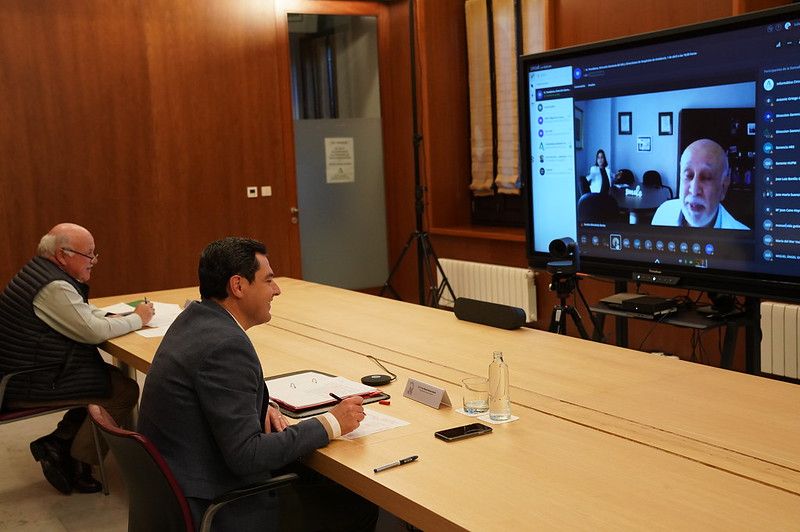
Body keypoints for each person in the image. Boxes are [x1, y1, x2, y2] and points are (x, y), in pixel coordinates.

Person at [137, 237, 378, 531]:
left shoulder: (195, 319)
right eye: (268, 280)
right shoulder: (226, 347)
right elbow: (247, 455)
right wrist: (331, 423)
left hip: (176, 485)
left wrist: (260, 406)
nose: (277, 290)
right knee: (357, 505)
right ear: (238, 286)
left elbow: (215, 392)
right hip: (216, 505)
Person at [0, 223, 154, 494]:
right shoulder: (54, 287)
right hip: (27, 381)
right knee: (123, 390)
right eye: (89, 254)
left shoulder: (41, 272)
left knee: (109, 379)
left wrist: (115, 317)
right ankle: (75, 457)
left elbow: (79, 314)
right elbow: (92, 333)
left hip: (29, 369)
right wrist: (137, 319)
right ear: (63, 255)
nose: (94, 261)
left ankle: (59, 442)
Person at [651, 139, 749, 229]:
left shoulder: (742, 238)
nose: (694, 190)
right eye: (688, 175)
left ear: (723, 188)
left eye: (706, 177)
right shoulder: (663, 214)